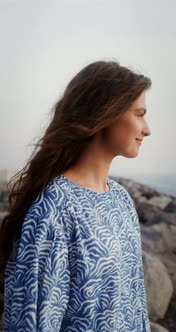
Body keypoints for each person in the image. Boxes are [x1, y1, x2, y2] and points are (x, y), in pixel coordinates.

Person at [0, 59, 152, 331]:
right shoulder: (54, 208)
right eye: (139, 114)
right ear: (107, 112)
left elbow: (135, 304)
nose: (147, 129)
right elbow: (32, 322)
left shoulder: (121, 199)